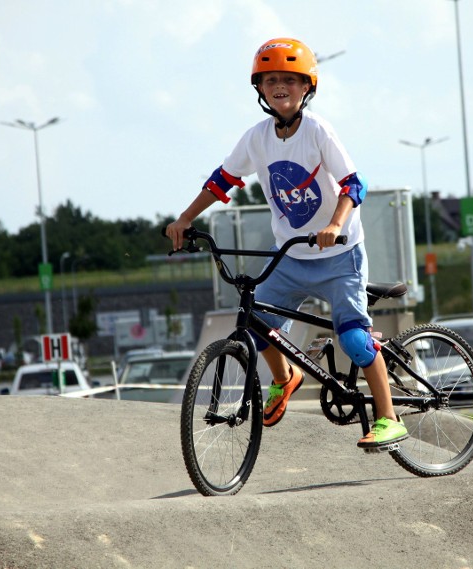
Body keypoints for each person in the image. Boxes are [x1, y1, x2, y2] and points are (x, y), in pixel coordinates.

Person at [166, 38, 407, 449]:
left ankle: (388, 417)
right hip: (291, 257)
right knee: (257, 328)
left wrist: (335, 223)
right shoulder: (256, 138)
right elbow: (222, 180)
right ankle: (285, 377)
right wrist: (186, 218)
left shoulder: (317, 131)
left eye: (290, 80)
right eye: (271, 79)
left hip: (338, 255)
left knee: (351, 338)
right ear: (259, 87)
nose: (280, 86)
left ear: (307, 87)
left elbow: (355, 183)